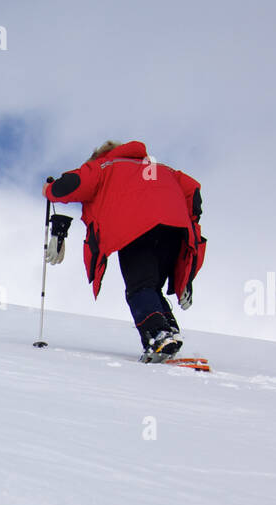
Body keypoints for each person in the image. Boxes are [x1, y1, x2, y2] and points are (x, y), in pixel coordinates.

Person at [43, 140, 205, 359]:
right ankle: (169, 334)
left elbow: (72, 184)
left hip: (136, 227)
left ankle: (159, 335)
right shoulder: (164, 170)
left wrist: (49, 190)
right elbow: (193, 194)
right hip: (175, 230)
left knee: (139, 287)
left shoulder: (103, 166)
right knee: (151, 287)